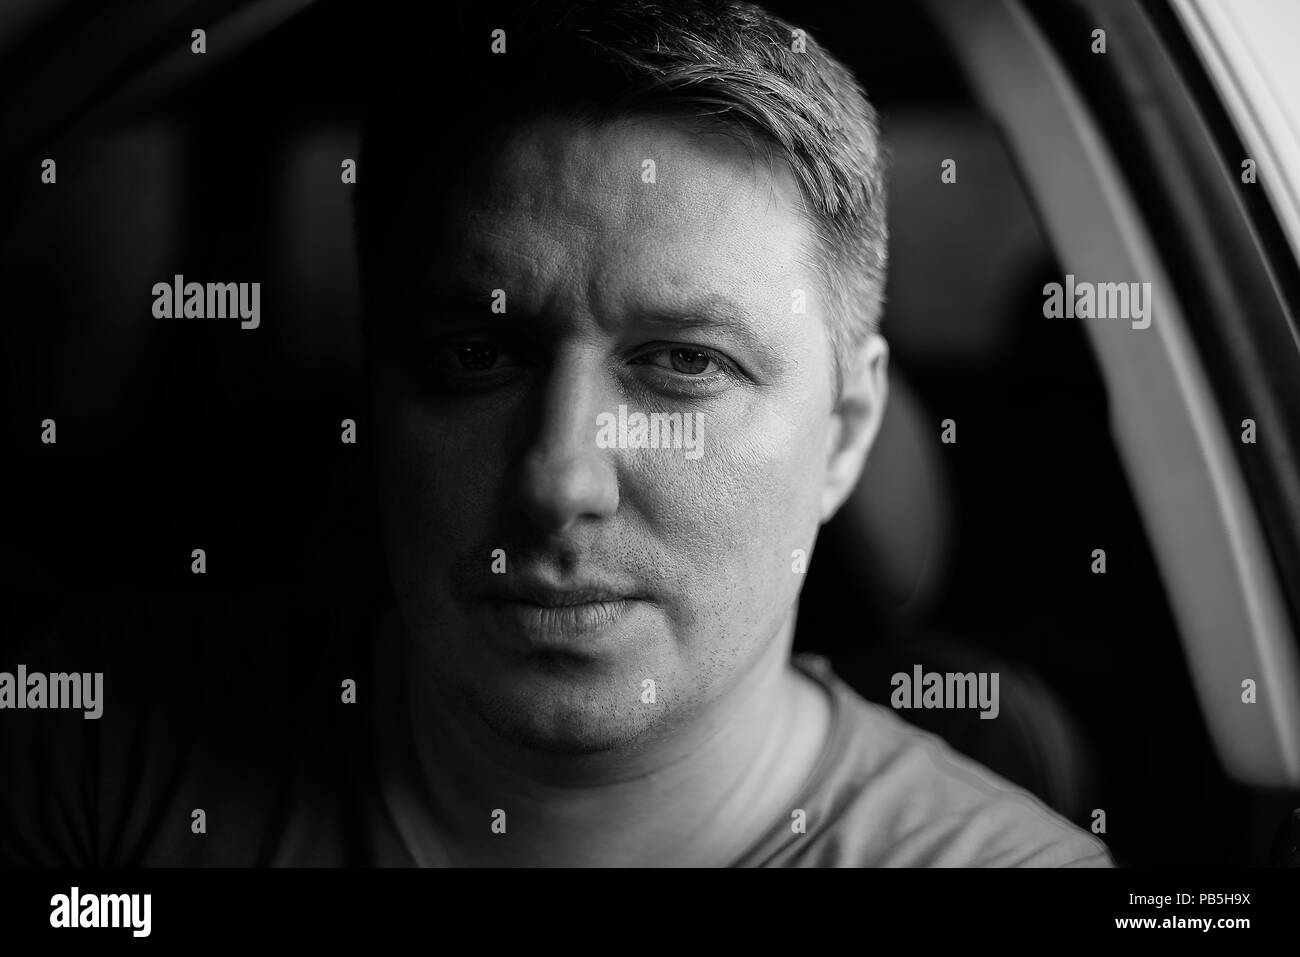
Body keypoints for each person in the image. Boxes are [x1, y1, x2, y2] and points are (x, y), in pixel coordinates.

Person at [0, 0, 1112, 868]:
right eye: (477, 356)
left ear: (845, 433)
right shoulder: (99, 750)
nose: (558, 477)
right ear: (374, 397)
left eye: (684, 363)